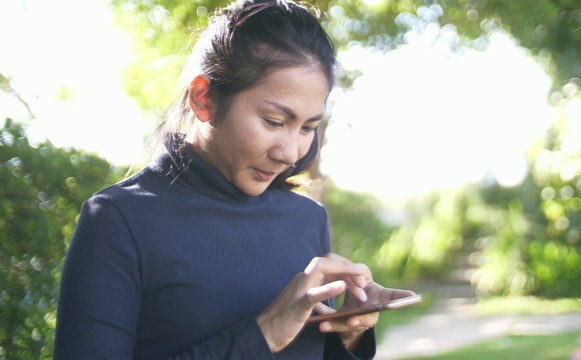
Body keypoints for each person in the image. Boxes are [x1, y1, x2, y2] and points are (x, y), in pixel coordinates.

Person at [53, 0, 416, 358]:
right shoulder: (119, 220)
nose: (290, 153)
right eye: (274, 122)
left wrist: (348, 332)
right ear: (204, 98)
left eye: (308, 126)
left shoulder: (307, 219)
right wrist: (264, 334)